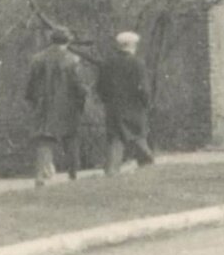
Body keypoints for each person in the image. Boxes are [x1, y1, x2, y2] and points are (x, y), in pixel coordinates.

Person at [22, 26, 92, 186]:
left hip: (44, 104)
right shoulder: (73, 60)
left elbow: (31, 85)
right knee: (71, 139)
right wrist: (82, 101)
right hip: (68, 106)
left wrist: (32, 102)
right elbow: (79, 85)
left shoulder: (37, 58)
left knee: (44, 140)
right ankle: (73, 175)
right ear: (68, 41)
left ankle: (40, 175)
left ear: (51, 39)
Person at [97, 31, 157, 173]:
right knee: (138, 136)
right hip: (134, 107)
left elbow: (100, 87)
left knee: (116, 138)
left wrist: (107, 101)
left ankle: (112, 169)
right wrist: (146, 103)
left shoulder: (107, 63)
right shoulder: (137, 63)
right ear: (132, 45)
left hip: (113, 107)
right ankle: (147, 163)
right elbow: (144, 88)